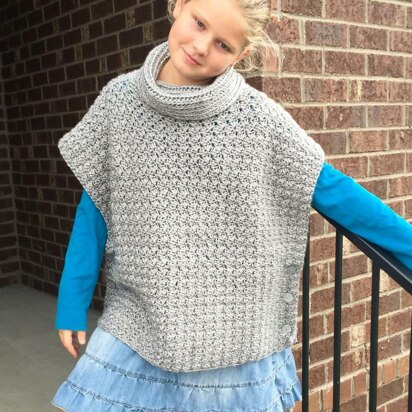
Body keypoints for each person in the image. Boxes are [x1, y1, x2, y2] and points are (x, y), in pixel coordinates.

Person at [51, 0, 412, 411]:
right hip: (137, 319)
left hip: (231, 331)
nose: (201, 46)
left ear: (241, 55)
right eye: (199, 23)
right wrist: (72, 301)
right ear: (179, 5)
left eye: (223, 44)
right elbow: (94, 207)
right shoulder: (118, 102)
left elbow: (332, 189)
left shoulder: (258, 118)